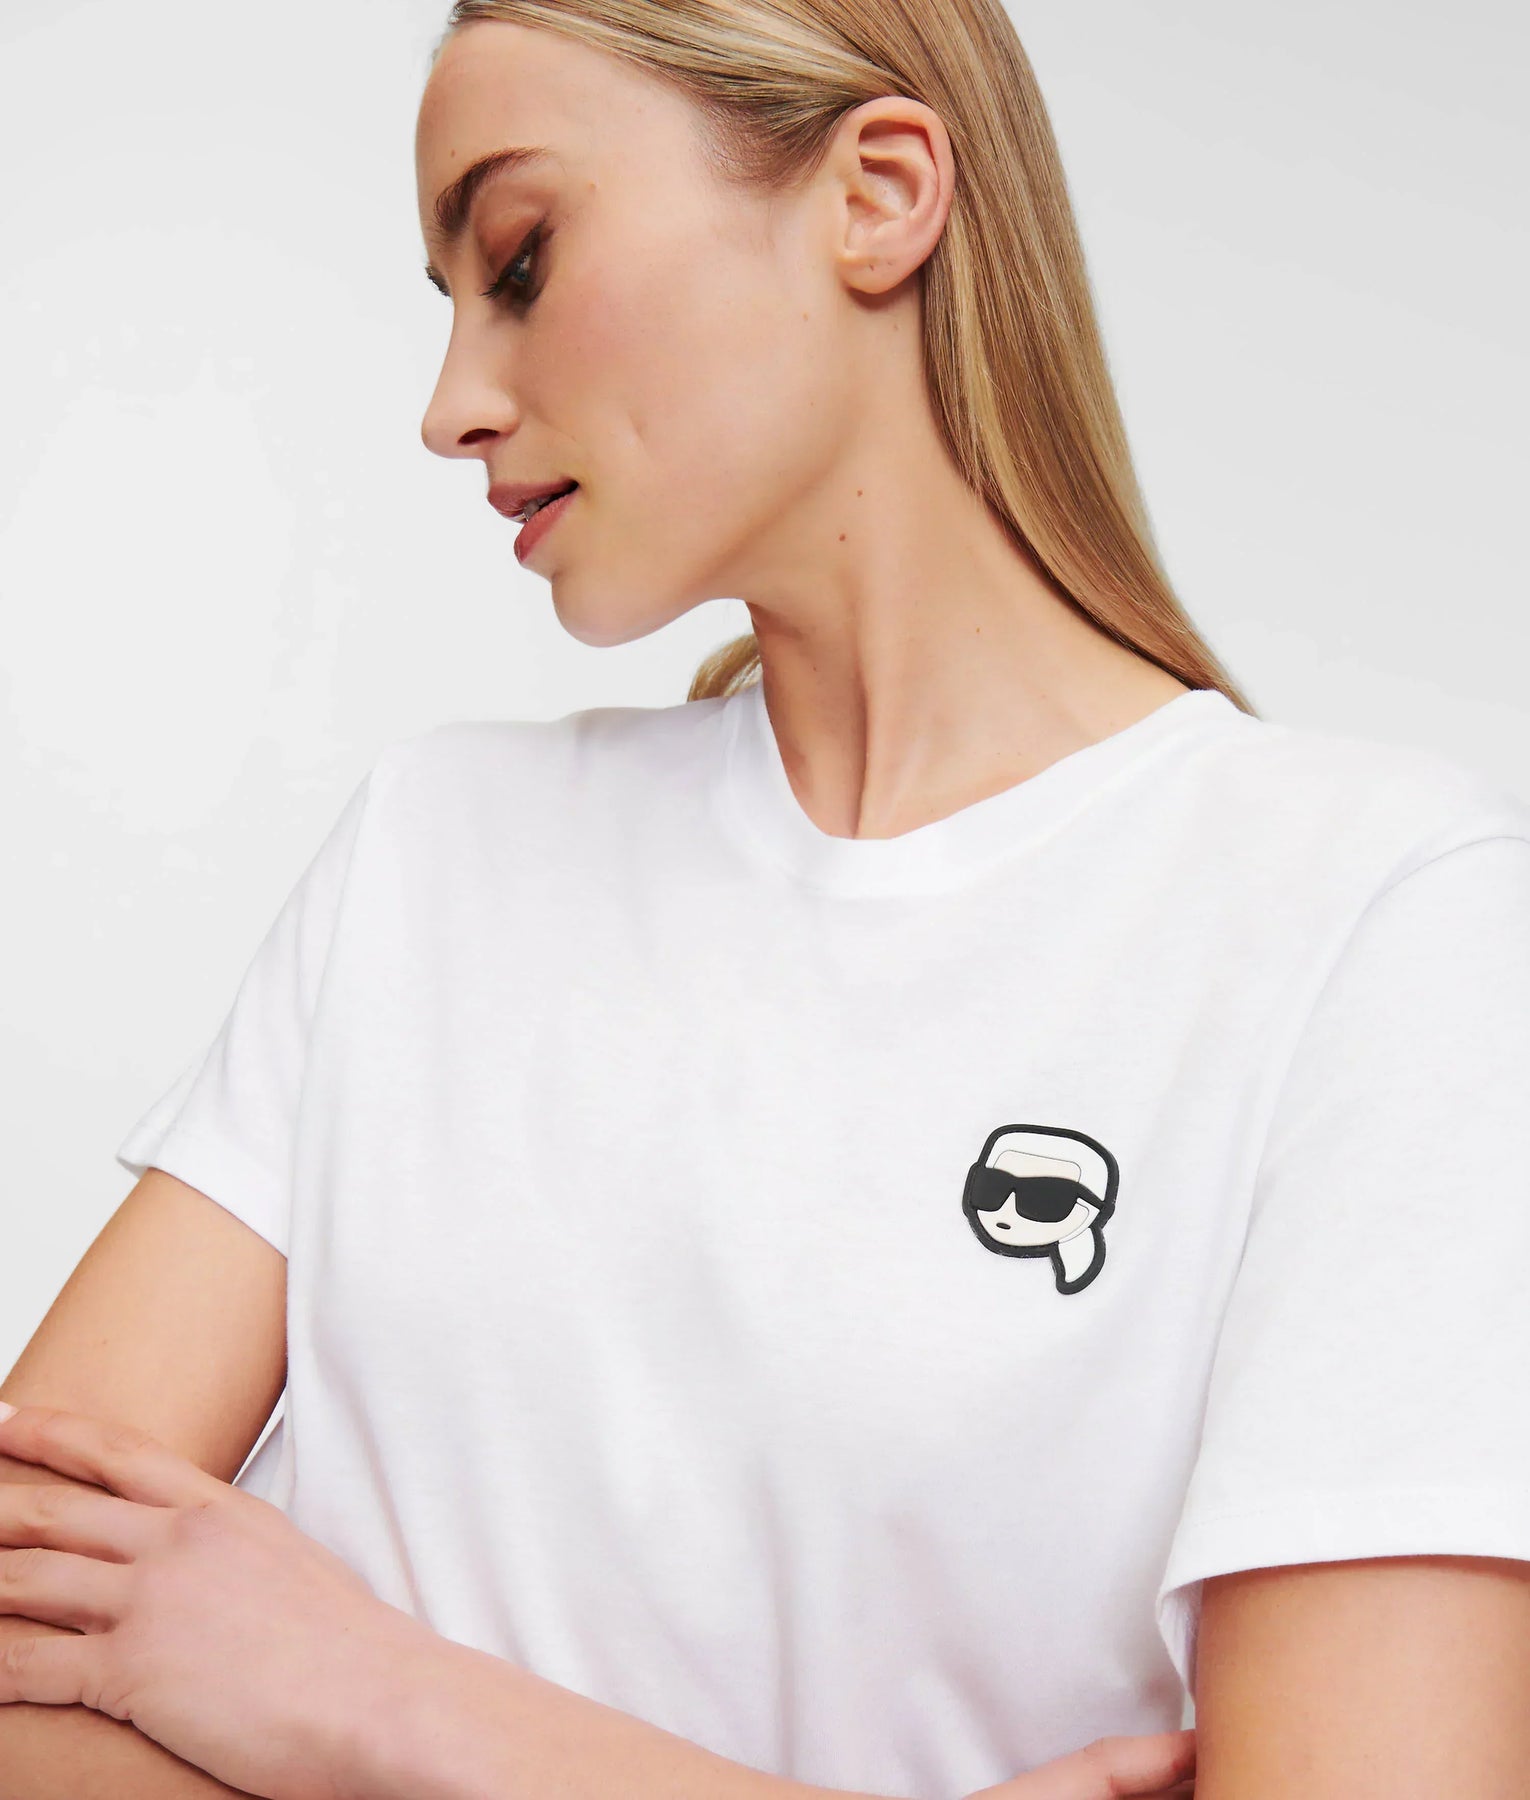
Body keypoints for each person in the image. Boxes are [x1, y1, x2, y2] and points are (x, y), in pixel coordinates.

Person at [48, 0, 1530, 1795]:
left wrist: (369, 1701)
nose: (450, 407)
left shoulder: (1367, 919)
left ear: (878, 194)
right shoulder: (430, 854)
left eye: (519, 260)